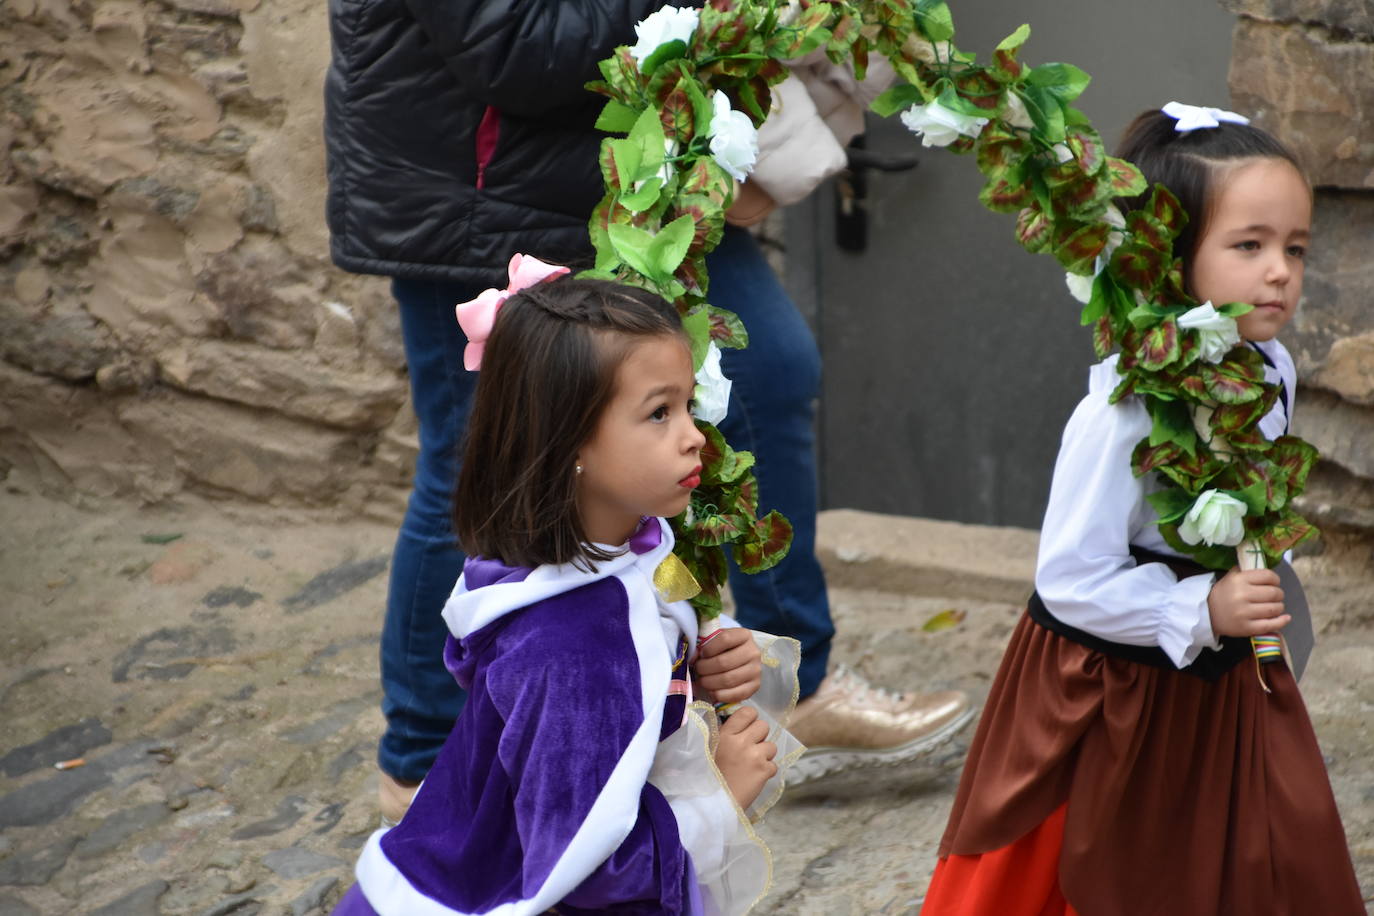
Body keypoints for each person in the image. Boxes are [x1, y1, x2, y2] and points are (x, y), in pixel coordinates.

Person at [322, 0, 971, 822]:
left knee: (767, 373)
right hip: (479, 200)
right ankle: (423, 763)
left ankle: (786, 690)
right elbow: (516, 50)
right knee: (475, 459)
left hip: (631, 173)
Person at [919, 106, 1365, 915]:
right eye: (1249, 246)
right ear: (1167, 254)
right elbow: (1069, 580)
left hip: (1226, 672)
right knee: (1117, 859)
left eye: (1294, 249)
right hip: (1119, 686)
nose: (1281, 273)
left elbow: (1257, 491)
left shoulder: (1271, 367)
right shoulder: (1122, 413)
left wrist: (1269, 584)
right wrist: (1202, 604)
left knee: (1258, 840)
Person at [331, 270, 803, 915]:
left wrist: (710, 638)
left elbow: (668, 587)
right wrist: (719, 796)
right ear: (568, 439)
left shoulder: (633, 539)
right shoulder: (570, 656)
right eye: (659, 413)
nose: (694, 435)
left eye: (688, 405)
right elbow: (585, 871)